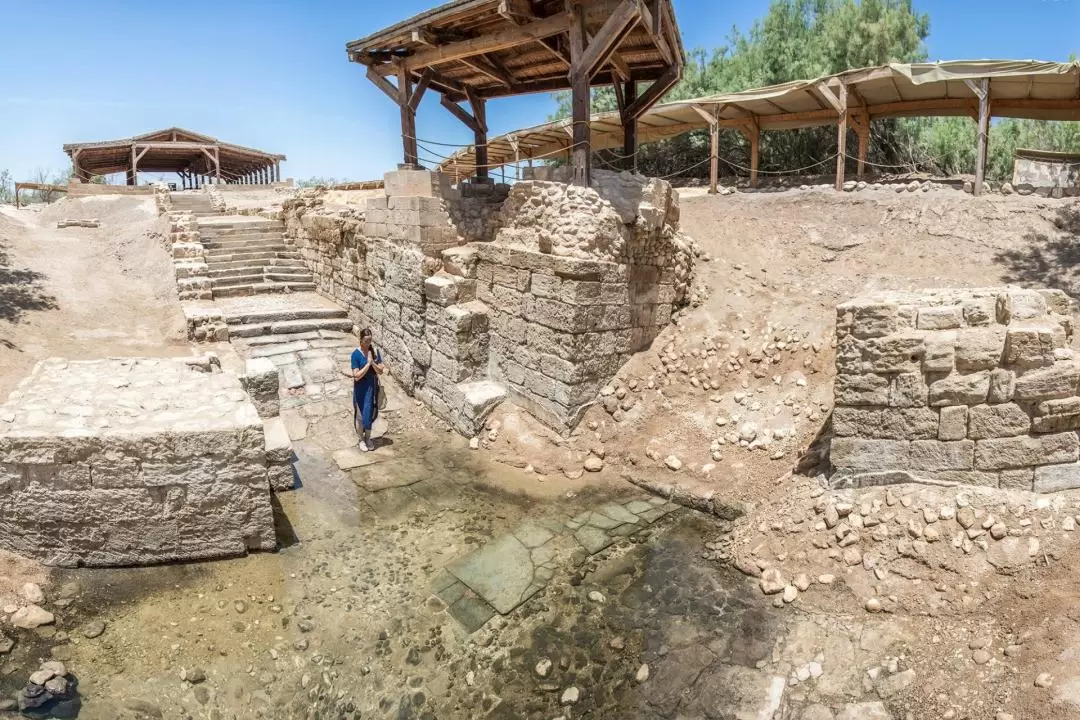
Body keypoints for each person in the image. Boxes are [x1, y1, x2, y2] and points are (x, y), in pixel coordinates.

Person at [348, 328, 384, 451]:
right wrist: (368, 364)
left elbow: (381, 370)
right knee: (360, 416)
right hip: (360, 389)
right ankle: (360, 439)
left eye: (370, 341)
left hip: (371, 387)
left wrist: (372, 362)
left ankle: (368, 438)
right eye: (366, 341)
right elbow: (356, 376)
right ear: (361, 340)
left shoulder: (373, 352)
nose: (368, 343)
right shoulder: (355, 355)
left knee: (369, 414)